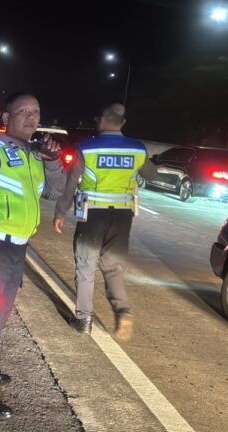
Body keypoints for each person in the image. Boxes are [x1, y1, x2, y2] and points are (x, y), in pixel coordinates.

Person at [0, 92, 65, 419]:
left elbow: (56, 192)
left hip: (19, 250)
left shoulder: (34, 156)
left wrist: (55, 162)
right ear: (7, 117)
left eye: (36, 112)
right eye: (23, 111)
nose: (31, 117)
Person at [53, 103, 157, 341]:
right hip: (122, 217)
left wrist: (60, 212)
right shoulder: (137, 149)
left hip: (92, 215)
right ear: (123, 123)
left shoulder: (87, 148)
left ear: (100, 120)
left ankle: (83, 319)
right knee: (112, 266)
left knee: (86, 265)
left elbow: (71, 183)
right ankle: (122, 311)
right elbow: (151, 175)